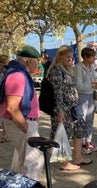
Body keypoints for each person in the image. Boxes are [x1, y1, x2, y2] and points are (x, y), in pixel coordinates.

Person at [0, 46, 44, 180]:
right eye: (37, 61)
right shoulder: (18, 76)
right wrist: (28, 130)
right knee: (34, 162)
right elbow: (12, 108)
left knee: (21, 163)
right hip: (21, 123)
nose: (39, 64)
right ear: (29, 61)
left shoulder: (18, 73)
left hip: (21, 123)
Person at [46, 45, 92, 171]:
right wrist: (60, 111)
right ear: (59, 56)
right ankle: (65, 163)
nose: (70, 60)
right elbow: (58, 93)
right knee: (62, 134)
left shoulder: (67, 69)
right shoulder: (56, 70)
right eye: (67, 57)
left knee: (80, 130)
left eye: (72, 58)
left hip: (73, 107)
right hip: (63, 108)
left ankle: (77, 158)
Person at [74, 47, 97, 155]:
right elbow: (78, 85)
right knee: (82, 120)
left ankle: (88, 142)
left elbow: (94, 81)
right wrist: (92, 85)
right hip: (82, 97)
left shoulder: (91, 67)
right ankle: (81, 144)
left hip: (91, 96)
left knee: (90, 120)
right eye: (92, 57)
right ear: (85, 56)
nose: (94, 59)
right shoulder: (78, 67)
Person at [0, 54, 10, 143]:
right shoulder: (8, 71)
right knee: (4, 116)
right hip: (4, 96)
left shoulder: (6, 72)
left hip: (3, 95)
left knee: (3, 116)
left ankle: (4, 135)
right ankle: (4, 135)